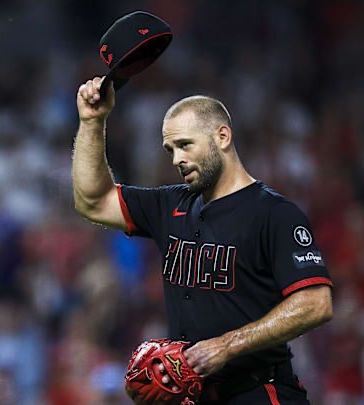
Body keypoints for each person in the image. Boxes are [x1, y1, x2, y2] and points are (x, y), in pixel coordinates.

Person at [72, 77, 333, 404]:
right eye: (170, 149)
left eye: (184, 145)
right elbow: (93, 201)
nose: (175, 159)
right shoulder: (170, 205)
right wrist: (92, 122)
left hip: (259, 392)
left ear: (222, 136)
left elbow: (316, 303)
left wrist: (227, 345)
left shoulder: (274, 214)